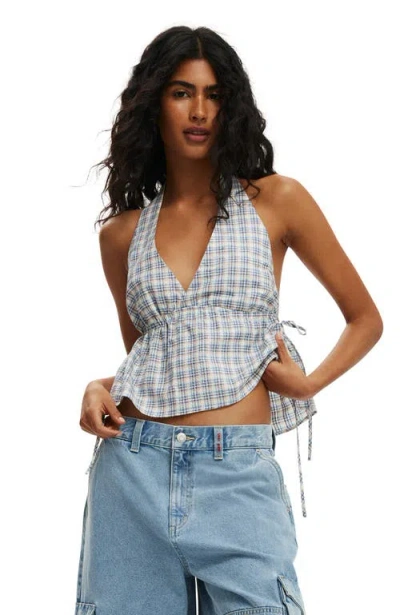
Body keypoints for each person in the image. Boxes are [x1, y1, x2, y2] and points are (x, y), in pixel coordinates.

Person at [74, 25, 383, 615]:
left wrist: (309, 384)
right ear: (153, 104)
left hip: (236, 471)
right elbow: (156, 361)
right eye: (181, 93)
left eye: (214, 95)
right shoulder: (121, 234)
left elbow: (365, 318)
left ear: (231, 105)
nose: (199, 111)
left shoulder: (277, 201)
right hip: (131, 470)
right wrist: (100, 385)